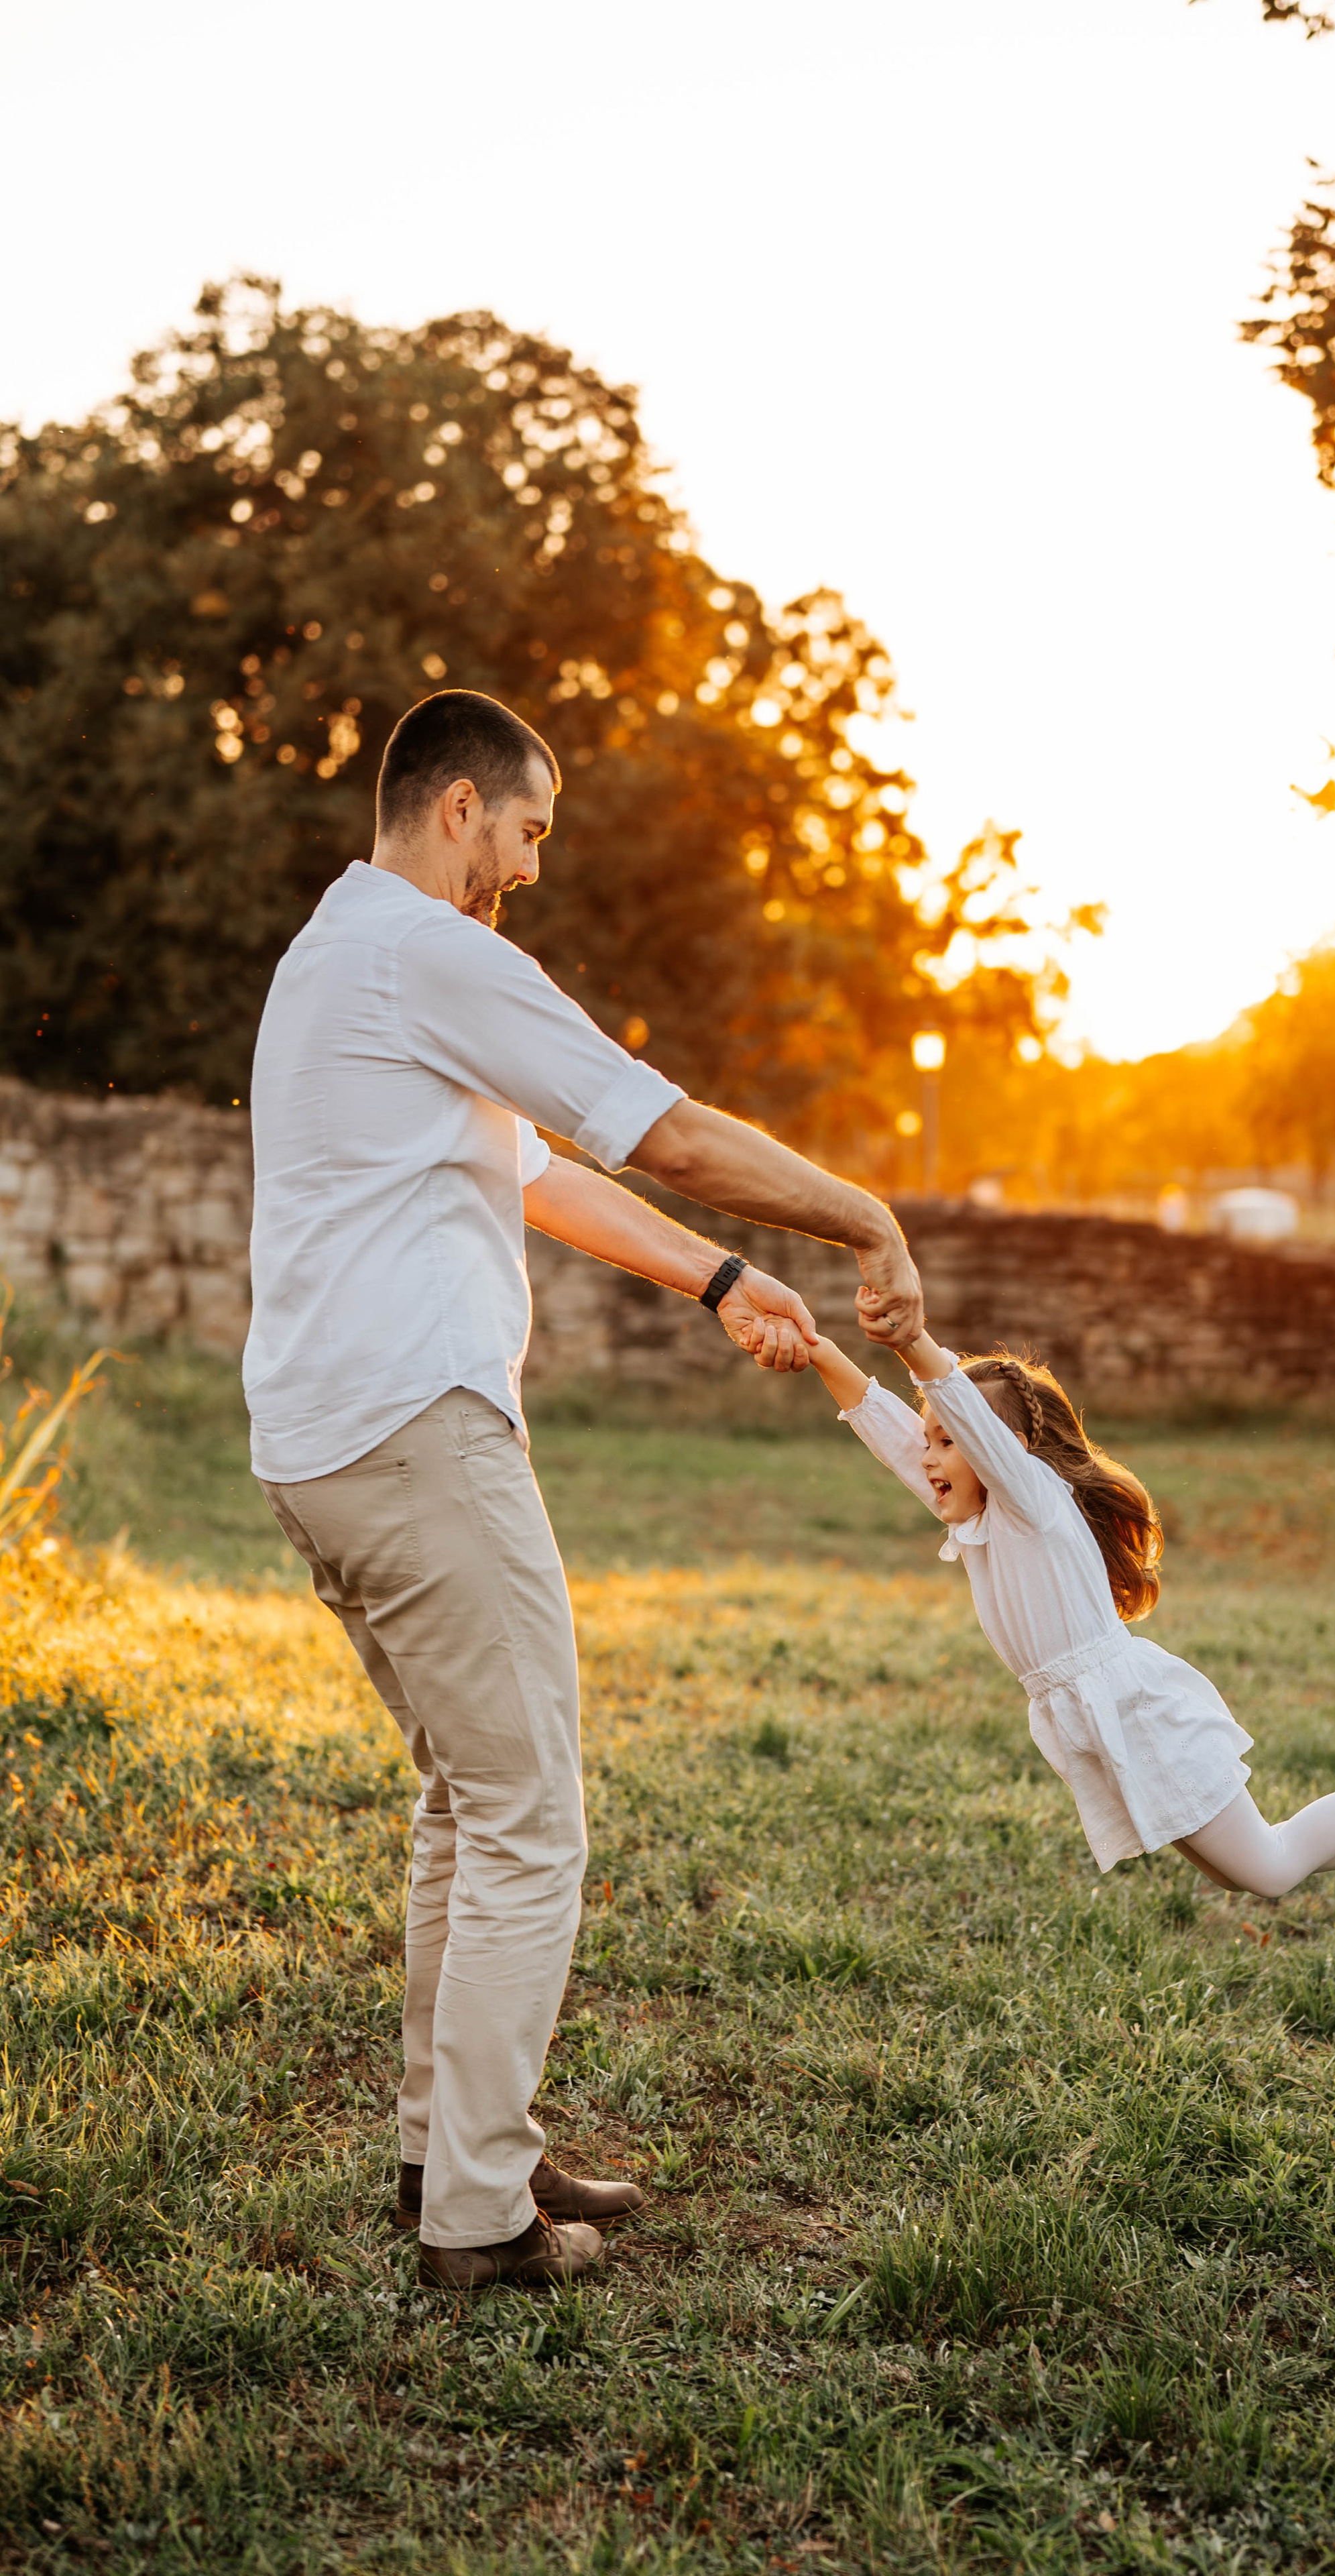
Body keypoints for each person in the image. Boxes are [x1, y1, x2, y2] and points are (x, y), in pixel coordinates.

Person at [245, 689, 923, 2293]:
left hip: (324, 1442)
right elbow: (663, 1125)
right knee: (531, 1818)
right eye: (530, 831)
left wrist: (723, 1280)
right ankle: (475, 2216)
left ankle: (450, 2141)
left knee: (464, 1803)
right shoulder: (429, 947)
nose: (531, 870)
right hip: (419, 1436)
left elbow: (529, 1167)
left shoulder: (333, 955)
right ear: (461, 808)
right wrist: (859, 1214)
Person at [805, 1319, 1335, 1917]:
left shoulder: (1031, 1502)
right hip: (1093, 1714)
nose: (927, 1455)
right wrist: (816, 1347)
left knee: (1266, 1868)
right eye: (928, 1441)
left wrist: (913, 1340)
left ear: (1003, 1451)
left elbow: (960, 1416)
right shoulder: (984, 1515)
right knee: (1233, 1870)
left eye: (947, 1438)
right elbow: (889, 1432)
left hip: (1132, 1709)